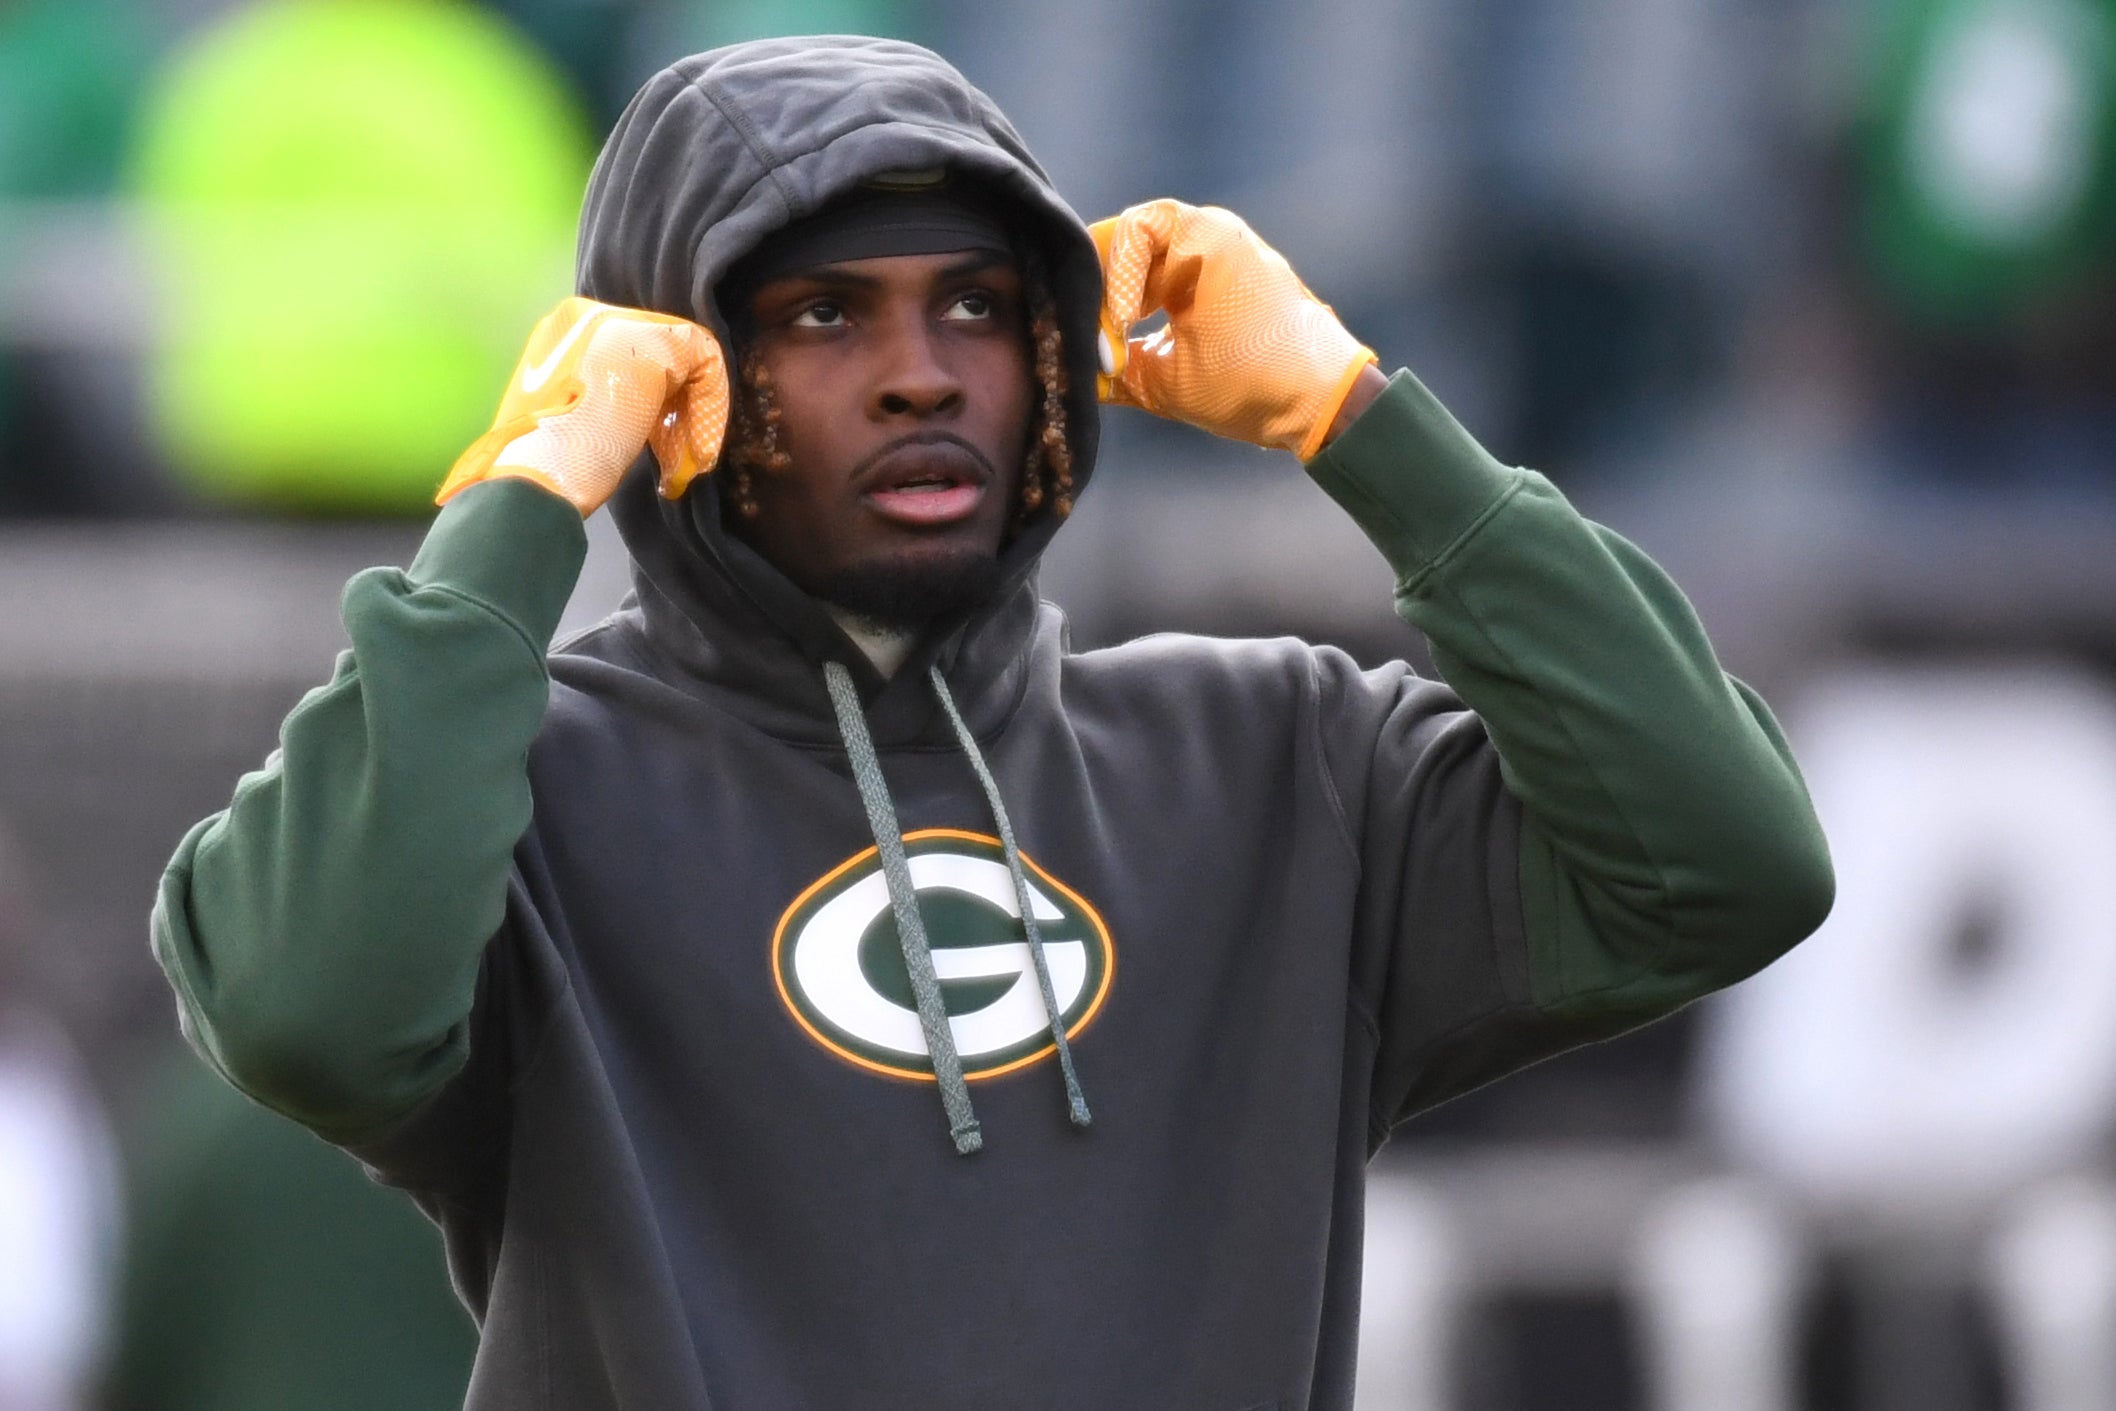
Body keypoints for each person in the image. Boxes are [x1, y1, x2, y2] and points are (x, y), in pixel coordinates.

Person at [150, 35, 1834, 1411]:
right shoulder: (514, 796)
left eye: (976, 305)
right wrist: (523, 500)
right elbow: (313, 1017)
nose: (921, 372)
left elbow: (1729, 862)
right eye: (822, 316)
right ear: (675, 385)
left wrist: (1358, 418)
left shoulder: (1283, 764)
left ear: (1057, 362)